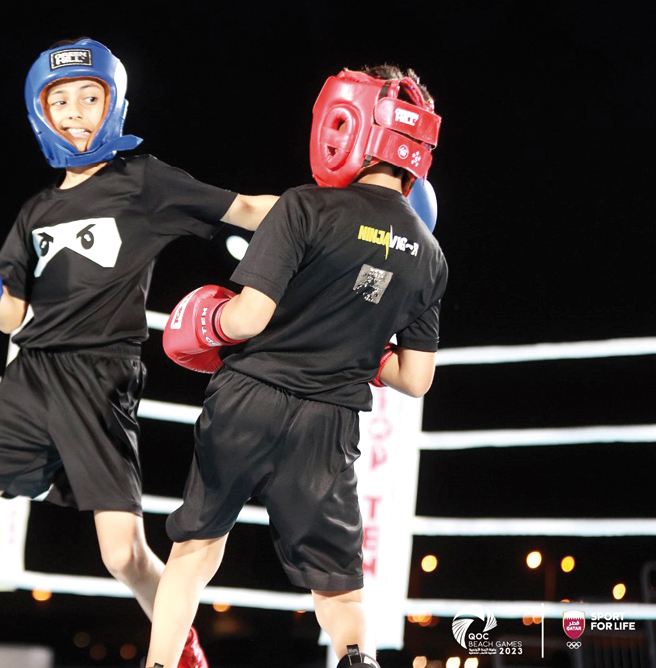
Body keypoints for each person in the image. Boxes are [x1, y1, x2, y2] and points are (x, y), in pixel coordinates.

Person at [0, 38, 278, 668]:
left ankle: (180, 649)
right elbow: (15, 319)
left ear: (113, 105)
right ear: (40, 113)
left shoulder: (143, 181)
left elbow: (244, 209)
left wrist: (329, 219)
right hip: (31, 373)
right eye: (61, 101)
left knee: (122, 553)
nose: (75, 111)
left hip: (101, 377)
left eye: (89, 96)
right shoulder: (36, 211)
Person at [147, 65, 447, 668]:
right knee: (337, 590)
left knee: (196, 551)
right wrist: (359, 346)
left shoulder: (305, 206)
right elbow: (415, 379)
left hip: (248, 399)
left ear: (351, 122)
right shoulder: (432, 256)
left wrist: (206, 325)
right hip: (329, 424)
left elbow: (250, 317)